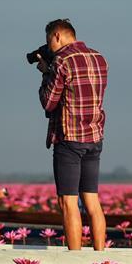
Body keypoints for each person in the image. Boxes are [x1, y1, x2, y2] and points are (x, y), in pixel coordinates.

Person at [36, 19, 108, 251]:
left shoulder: (61, 61)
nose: (49, 46)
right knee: (92, 201)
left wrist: (45, 74)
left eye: (49, 41)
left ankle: (75, 259)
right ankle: (100, 256)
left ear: (57, 36)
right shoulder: (99, 58)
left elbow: (48, 102)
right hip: (94, 137)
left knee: (68, 202)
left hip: (69, 139)